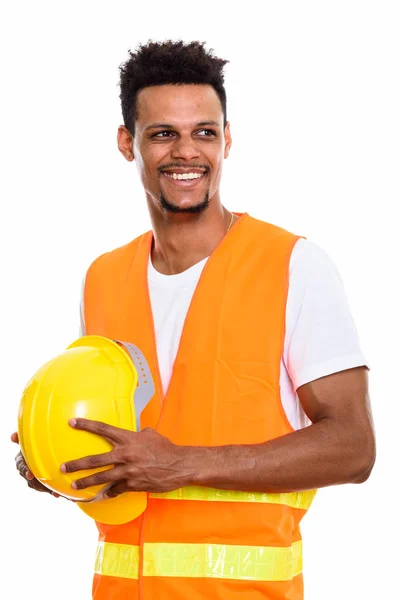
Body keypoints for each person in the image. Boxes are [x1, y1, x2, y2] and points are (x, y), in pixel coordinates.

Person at [13, 40, 376, 600]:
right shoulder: (102, 278)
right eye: (163, 134)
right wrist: (61, 464)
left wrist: (183, 465)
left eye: (204, 132)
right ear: (125, 143)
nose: (187, 152)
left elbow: (354, 448)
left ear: (227, 140)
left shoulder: (294, 266)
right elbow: (124, 454)